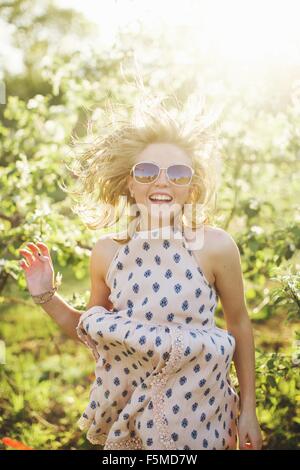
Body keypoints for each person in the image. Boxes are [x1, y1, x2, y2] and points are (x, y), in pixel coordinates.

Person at [19, 93, 263, 450]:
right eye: (147, 172)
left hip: (201, 414)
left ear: (191, 189)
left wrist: (248, 411)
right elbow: (94, 332)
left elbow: (239, 324)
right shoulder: (107, 253)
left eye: (178, 173)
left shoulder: (215, 246)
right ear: (129, 185)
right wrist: (45, 295)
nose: (162, 182)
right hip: (132, 415)